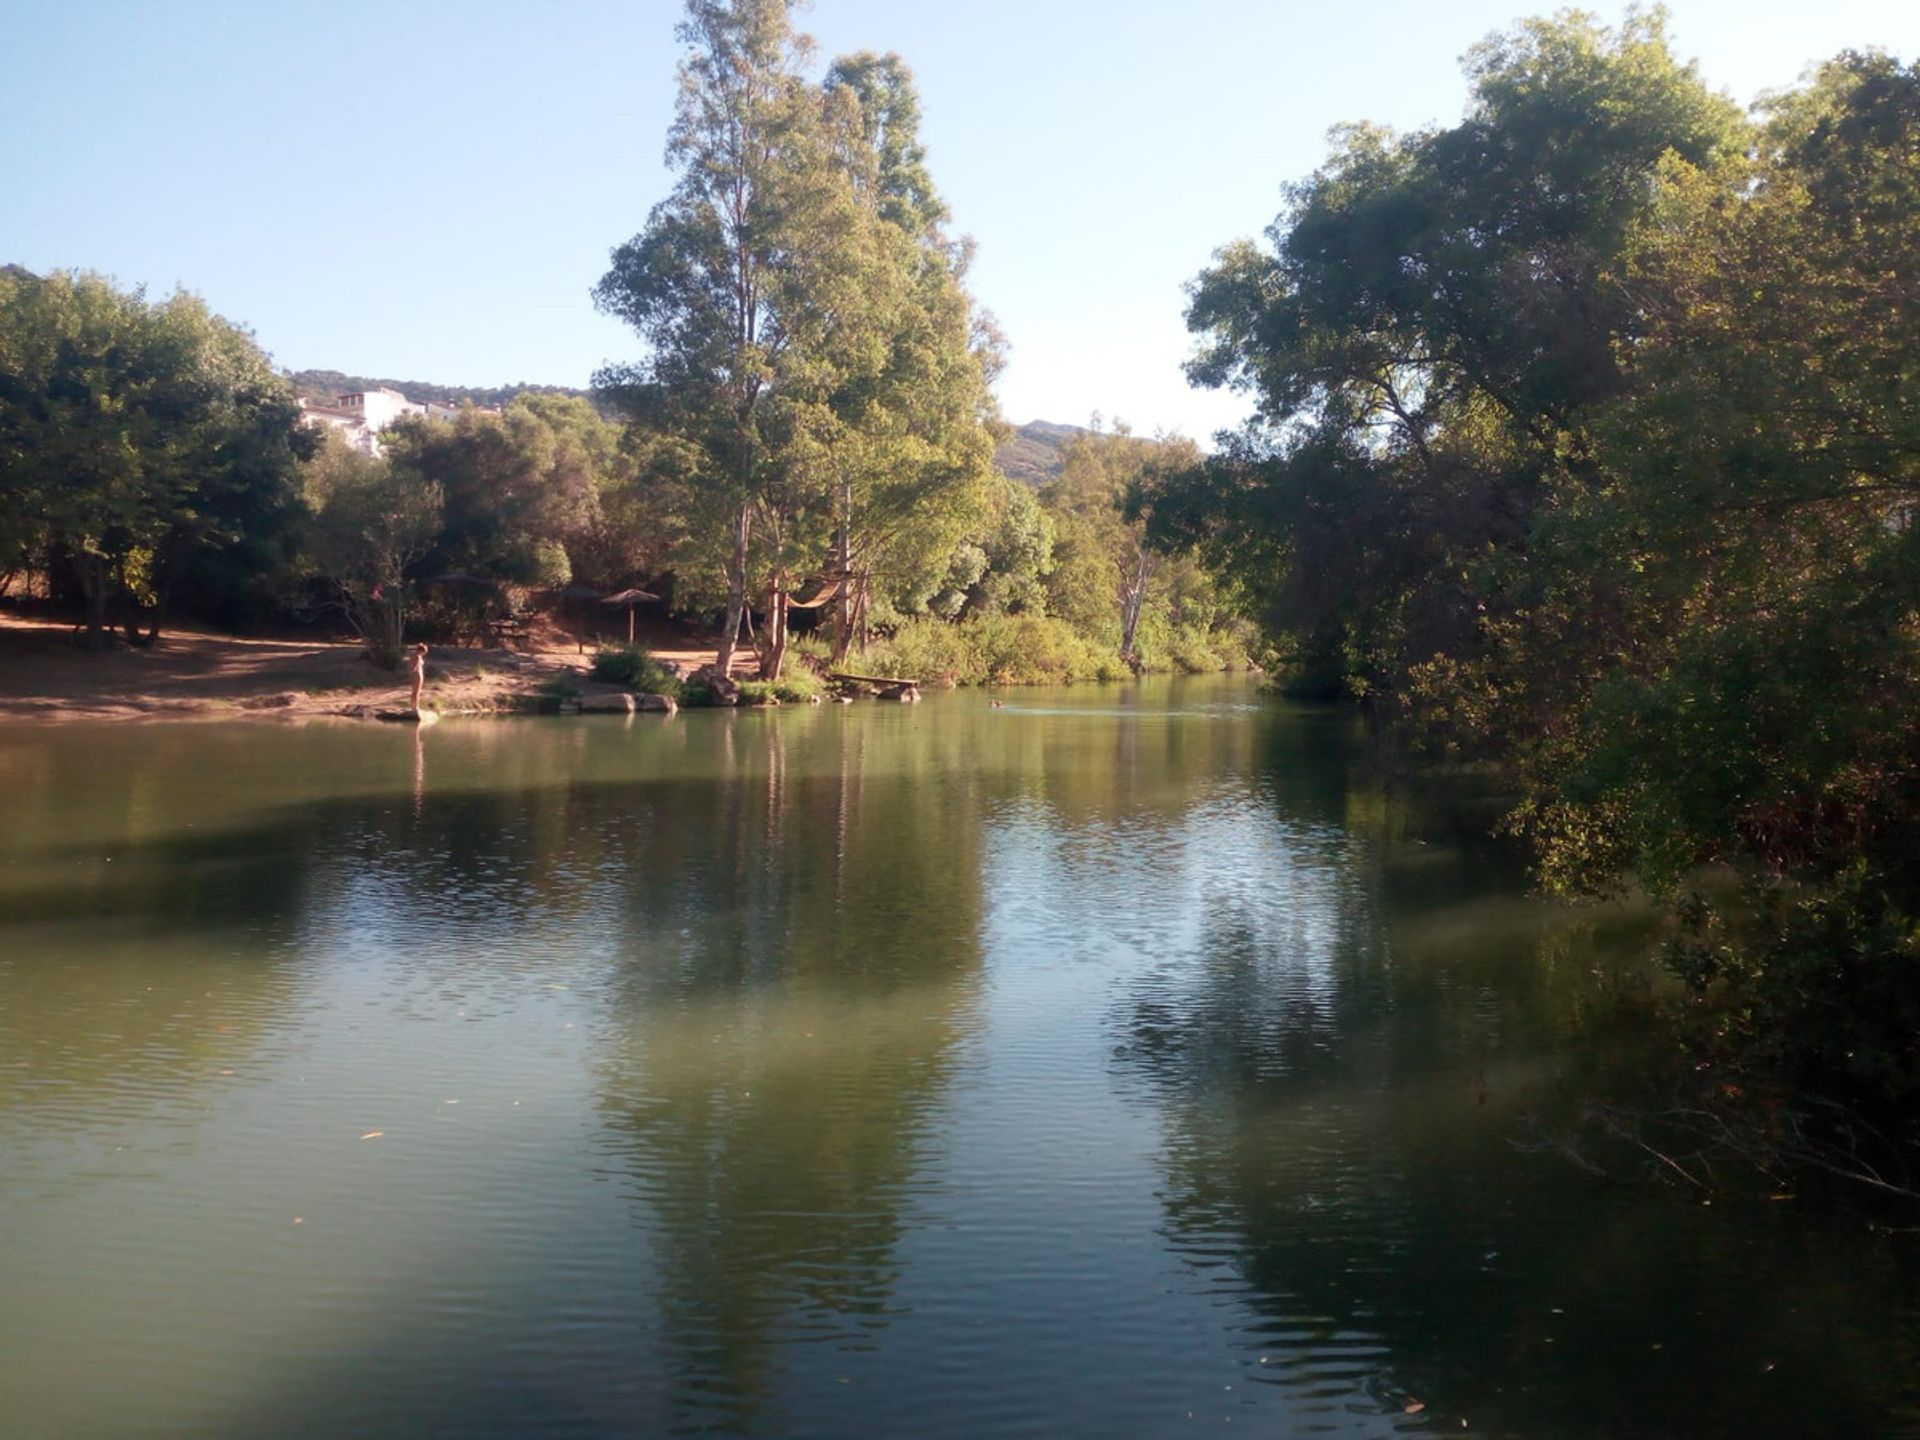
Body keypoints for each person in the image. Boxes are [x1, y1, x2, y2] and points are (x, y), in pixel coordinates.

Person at [406, 642, 429, 713]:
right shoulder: (417, 656)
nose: (425, 653)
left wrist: (411, 673)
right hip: (418, 674)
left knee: (414, 692)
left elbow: (410, 664)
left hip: (415, 674)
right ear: (421, 651)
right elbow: (414, 666)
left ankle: (413, 707)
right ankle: (416, 707)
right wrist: (414, 671)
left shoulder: (413, 654)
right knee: (417, 692)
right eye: (425, 652)